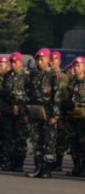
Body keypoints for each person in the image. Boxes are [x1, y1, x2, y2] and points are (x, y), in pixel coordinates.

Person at [25, 48, 61, 179]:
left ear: (48, 60)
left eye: (42, 59)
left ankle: (47, 168)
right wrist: (26, 112)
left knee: (48, 141)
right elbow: (27, 94)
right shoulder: (33, 75)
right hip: (35, 112)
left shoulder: (53, 76)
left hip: (48, 113)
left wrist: (54, 116)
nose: (40, 62)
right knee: (36, 141)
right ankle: (38, 166)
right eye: (38, 60)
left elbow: (56, 97)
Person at [0, 53, 29, 173]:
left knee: (20, 138)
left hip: (21, 111)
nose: (13, 64)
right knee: (9, 138)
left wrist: (25, 110)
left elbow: (30, 94)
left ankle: (19, 163)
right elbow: (2, 93)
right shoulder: (7, 76)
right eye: (11, 62)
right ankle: (10, 161)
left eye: (15, 62)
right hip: (9, 111)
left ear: (21, 63)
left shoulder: (26, 77)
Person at [63, 56, 85, 177]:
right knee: (74, 144)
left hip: (83, 118)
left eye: (79, 66)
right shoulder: (71, 83)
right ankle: (76, 167)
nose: (76, 68)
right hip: (72, 118)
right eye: (74, 66)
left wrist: (78, 105)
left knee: (83, 144)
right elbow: (65, 98)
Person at [50, 51, 69, 172]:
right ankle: (50, 161)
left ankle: (59, 162)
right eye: (51, 59)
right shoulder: (47, 75)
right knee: (50, 138)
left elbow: (67, 95)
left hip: (61, 112)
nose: (52, 62)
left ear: (59, 61)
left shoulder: (64, 77)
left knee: (61, 138)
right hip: (49, 111)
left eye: (55, 59)